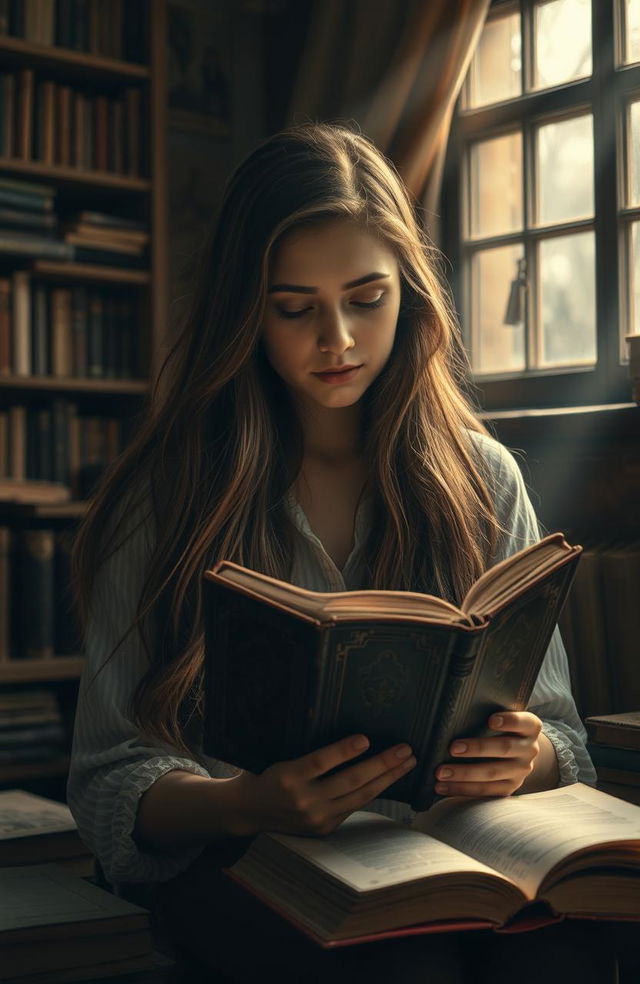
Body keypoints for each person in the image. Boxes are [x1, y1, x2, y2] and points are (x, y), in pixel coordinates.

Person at [67, 122, 612, 982]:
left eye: (368, 298)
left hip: (450, 855)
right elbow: (108, 780)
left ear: (412, 293)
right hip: (248, 859)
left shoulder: (483, 476)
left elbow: (563, 737)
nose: (340, 340)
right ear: (244, 311)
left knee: (570, 952)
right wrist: (246, 801)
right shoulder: (169, 494)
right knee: (407, 969)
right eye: (294, 308)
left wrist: (525, 752)